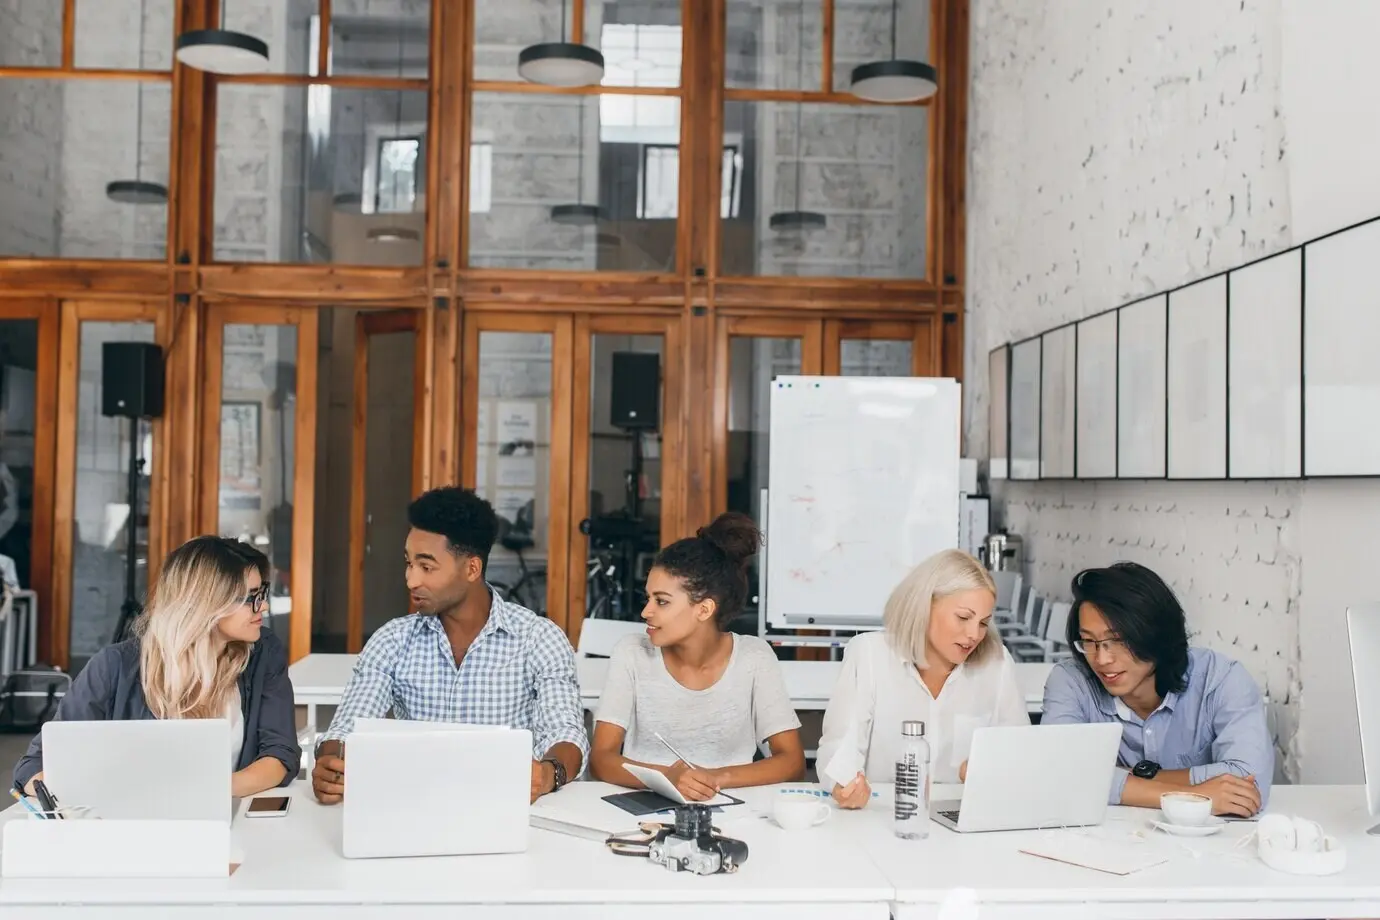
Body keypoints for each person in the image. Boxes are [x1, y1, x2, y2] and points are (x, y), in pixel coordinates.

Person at [311, 486, 586, 805]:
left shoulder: (539, 638)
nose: (411, 580)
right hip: (416, 808)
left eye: (426, 567)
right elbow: (346, 729)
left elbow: (567, 734)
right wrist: (330, 763)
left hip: (506, 809)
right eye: (409, 563)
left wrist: (548, 774)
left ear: (471, 569)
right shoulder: (393, 640)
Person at [13, 536, 300, 799]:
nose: (263, 607)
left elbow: (280, 754)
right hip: (127, 829)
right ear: (204, 603)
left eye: (262, 593)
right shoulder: (114, 666)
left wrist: (207, 794)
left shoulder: (263, 652)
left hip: (227, 824)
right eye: (250, 598)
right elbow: (35, 766)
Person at [589, 513, 805, 799]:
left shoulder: (754, 658)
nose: (646, 612)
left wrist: (711, 779)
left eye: (662, 601)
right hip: (643, 810)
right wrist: (667, 778)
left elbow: (792, 761)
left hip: (735, 810)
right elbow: (601, 759)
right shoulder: (632, 653)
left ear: (703, 610)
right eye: (648, 598)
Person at [1041, 562, 1273, 817]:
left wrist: (1116, 780)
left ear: (1156, 634)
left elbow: (1249, 784)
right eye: (1089, 641)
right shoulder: (1071, 680)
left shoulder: (1221, 680)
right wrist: (1196, 795)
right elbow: (1058, 772)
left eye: (1117, 640)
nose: (1102, 658)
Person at [816, 549, 1029, 809]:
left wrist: (992, 771)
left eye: (984, 623)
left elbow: (1021, 756)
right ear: (925, 606)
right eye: (963, 617)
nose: (974, 634)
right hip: (886, 817)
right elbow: (838, 748)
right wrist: (843, 785)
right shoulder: (870, 654)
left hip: (966, 818)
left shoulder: (997, 663)